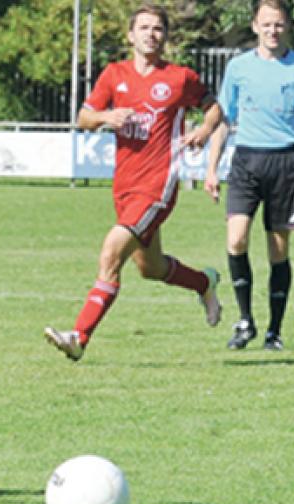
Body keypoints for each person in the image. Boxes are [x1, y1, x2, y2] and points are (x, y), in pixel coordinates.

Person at [44, 4, 223, 362]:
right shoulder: (114, 75)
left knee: (111, 252)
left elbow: (214, 108)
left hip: (159, 185)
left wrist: (204, 130)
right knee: (150, 268)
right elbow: (83, 117)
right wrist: (107, 116)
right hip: (124, 184)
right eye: (144, 27)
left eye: (158, 28)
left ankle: (79, 336)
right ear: (130, 35)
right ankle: (204, 283)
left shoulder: (180, 77)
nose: (151, 34)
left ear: (165, 36)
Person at [204, 0, 294, 351]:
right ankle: (245, 321)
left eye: (279, 24)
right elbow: (223, 119)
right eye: (267, 24)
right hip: (245, 161)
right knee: (236, 239)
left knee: (278, 249)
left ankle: (274, 330)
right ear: (255, 26)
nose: (273, 30)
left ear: (286, 27)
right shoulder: (238, 67)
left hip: (284, 163)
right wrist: (211, 168)